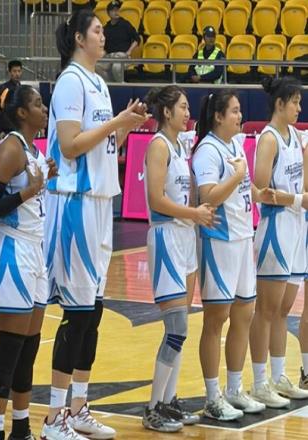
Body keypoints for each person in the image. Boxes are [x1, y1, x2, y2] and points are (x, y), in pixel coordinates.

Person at [41, 9, 149, 439]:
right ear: (79, 39)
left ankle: (79, 408)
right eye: (98, 31)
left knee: (94, 311)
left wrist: (125, 128)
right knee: (78, 313)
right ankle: (54, 418)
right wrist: (116, 122)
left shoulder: (99, 83)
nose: (105, 36)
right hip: (74, 202)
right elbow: (69, 146)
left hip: (101, 201)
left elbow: (101, 146)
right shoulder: (70, 81)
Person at [0, 85, 58, 440]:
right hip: (10, 250)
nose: (45, 109)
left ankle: (21, 429)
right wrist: (28, 191)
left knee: (28, 348)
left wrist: (44, 179)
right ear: (22, 112)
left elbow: (32, 195)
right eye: (38, 104)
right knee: (10, 350)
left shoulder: (34, 150)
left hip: (34, 250)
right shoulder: (11, 147)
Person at [192, 90, 276, 421]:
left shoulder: (235, 145)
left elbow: (242, 188)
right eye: (235, 111)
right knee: (216, 320)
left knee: (244, 314)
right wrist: (239, 176)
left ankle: (234, 389)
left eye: (240, 111)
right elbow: (208, 196)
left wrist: (259, 193)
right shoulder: (207, 150)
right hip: (219, 241)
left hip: (243, 238)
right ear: (218, 116)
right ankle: (212, 396)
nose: (240, 116)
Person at [142, 86, 215, 432]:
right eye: (183, 107)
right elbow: (156, 200)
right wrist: (194, 213)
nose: (188, 113)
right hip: (166, 236)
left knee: (181, 327)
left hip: (184, 236)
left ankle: (168, 401)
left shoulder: (179, 146)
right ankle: (152, 408)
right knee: (177, 327)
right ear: (167, 112)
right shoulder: (158, 146)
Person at [249, 76, 308, 408]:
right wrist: (298, 200)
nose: (299, 108)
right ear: (279, 104)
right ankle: (259, 383)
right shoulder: (269, 139)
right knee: (266, 310)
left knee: (283, 310)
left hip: (295, 227)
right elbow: (259, 190)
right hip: (275, 226)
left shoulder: (296, 136)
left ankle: (279, 376)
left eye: (300, 102)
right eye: (295, 102)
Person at [96, 1, 140, 82]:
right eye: (113, 10)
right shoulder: (106, 28)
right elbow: (104, 46)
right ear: (108, 13)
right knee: (97, 66)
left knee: (116, 67)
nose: (116, 12)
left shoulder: (125, 24)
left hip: (122, 56)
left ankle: (121, 86)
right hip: (110, 56)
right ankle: (111, 84)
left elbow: (137, 39)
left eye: (117, 10)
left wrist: (129, 52)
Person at [0, 60, 23, 137]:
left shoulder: (22, 88)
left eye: (19, 71)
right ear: (9, 72)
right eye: (14, 71)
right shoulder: (4, 89)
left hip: (19, 127)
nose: (17, 74)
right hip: (7, 129)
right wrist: (0, 131)